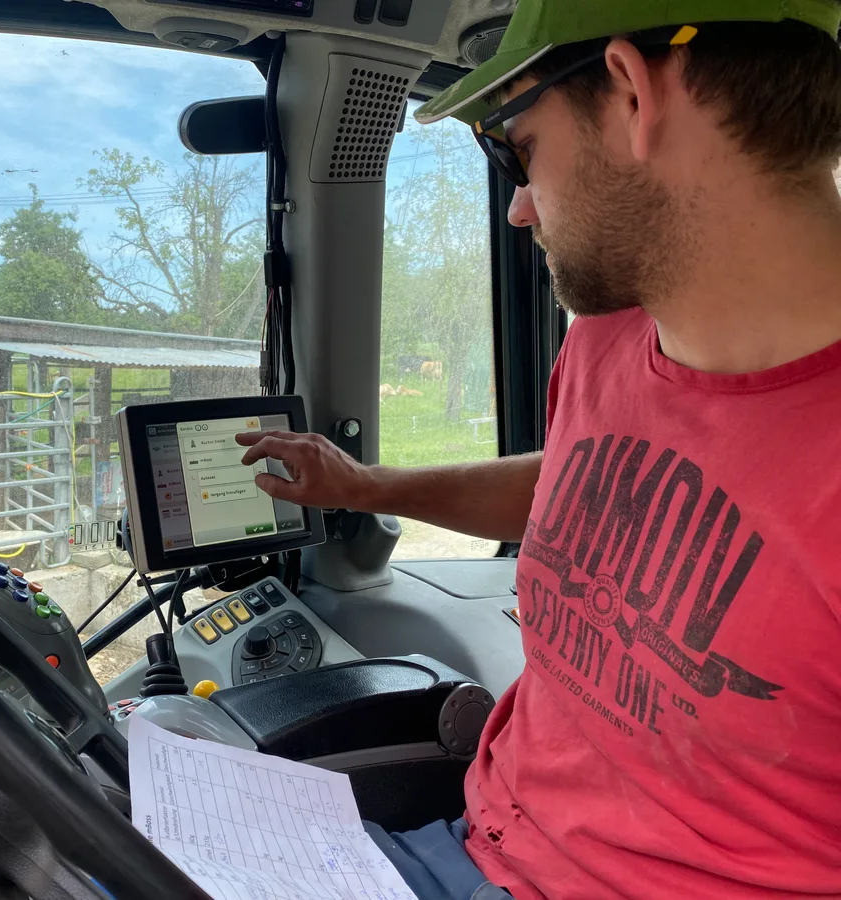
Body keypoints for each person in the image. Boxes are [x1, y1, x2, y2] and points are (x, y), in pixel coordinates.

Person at [237, 1, 841, 897]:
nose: (518, 208)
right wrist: (364, 486)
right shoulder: (605, 341)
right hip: (464, 847)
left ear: (634, 95)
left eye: (519, 150)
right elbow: (570, 485)